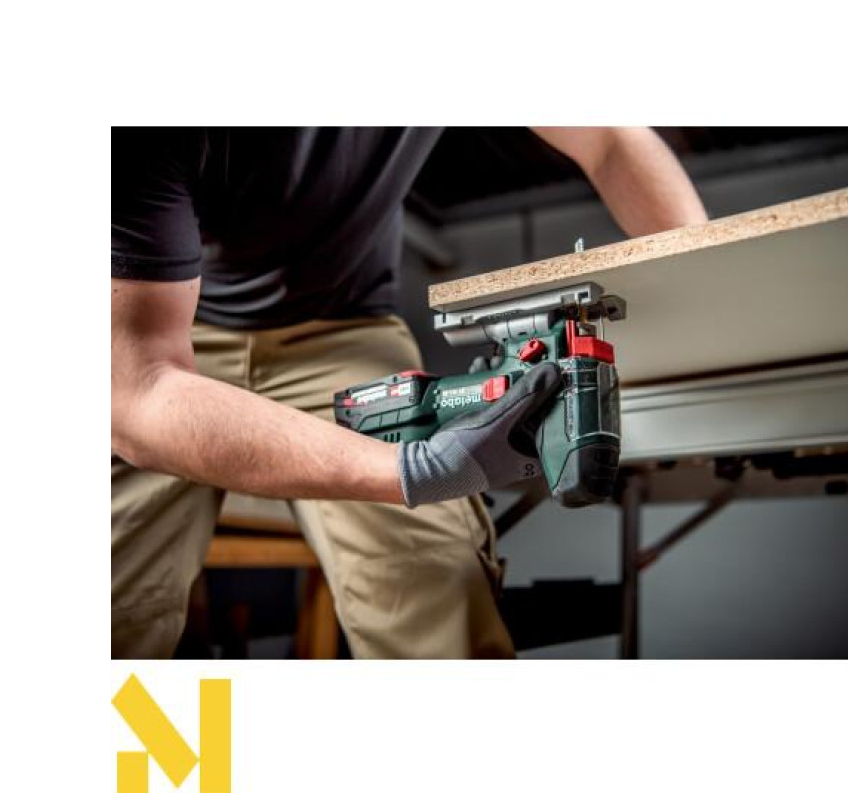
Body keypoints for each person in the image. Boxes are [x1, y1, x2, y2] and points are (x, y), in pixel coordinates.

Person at [112, 127, 707, 658]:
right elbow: (139, 394)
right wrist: (417, 470)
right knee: (115, 610)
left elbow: (608, 137)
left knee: (437, 590)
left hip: (344, 328)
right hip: (150, 331)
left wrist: (713, 303)